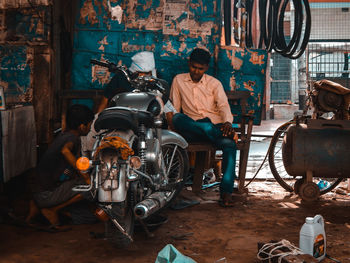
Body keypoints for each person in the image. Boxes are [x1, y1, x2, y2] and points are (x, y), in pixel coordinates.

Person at [169, 48, 238, 207]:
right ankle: (211, 130)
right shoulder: (178, 80)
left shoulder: (214, 83)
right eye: (193, 67)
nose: (196, 71)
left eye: (200, 69)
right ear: (189, 64)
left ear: (206, 68)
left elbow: (223, 106)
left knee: (230, 146)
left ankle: (226, 193)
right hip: (192, 129)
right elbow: (174, 109)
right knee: (179, 118)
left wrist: (227, 123)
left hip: (215, 125)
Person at [82, 51, 175, 154]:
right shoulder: (121, 78)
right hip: (120, 116)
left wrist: (171, 128)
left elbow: (165, 105)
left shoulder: (155, 82)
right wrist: (98, 117)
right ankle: (90, 156)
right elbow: (105, 99)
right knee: (95, 131)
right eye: (139, 73)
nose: (142, 76)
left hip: (142, 120)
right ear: (133, 71)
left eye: (146, 73)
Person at [27, 104, 94, 228]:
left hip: (39, 190)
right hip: (46, 194)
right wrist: (86, 177)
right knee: (92, 187)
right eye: (90, 125)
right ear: (82, 126)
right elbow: (65, 151)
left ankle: (38, 205)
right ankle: (53, 209)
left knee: (85, 212)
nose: (90, 128)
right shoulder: (73, 139)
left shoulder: (63, 135)